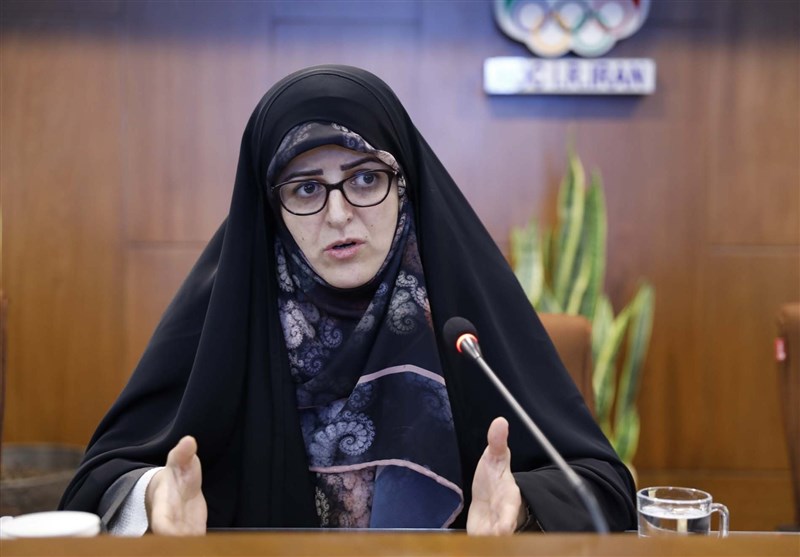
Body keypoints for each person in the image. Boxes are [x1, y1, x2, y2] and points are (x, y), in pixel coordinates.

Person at [59, 65, 636, 535]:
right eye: (306, 187)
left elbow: (605, 488)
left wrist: (523, 504)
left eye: (364, 179)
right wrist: (152, 494)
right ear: (271, 206)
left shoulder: (460, 314)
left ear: (404, 183)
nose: (338, 215)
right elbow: (94, 485)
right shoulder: (228, 313)